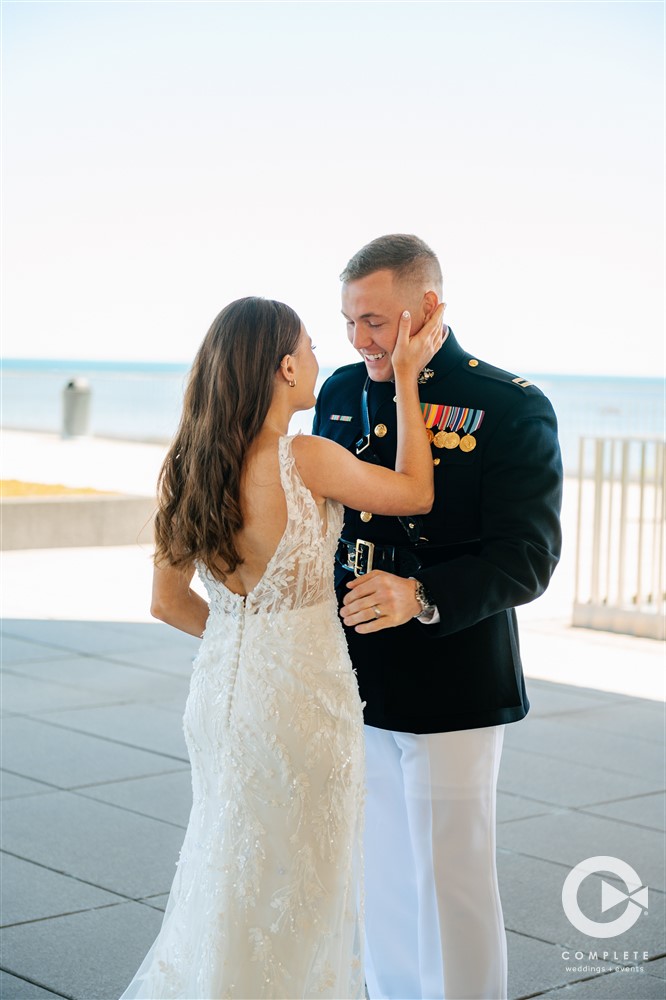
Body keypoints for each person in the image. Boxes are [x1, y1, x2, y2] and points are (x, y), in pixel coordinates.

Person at [119, 294, 444, 1000]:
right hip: (303, 702)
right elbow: (416, 492)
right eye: (313, 347)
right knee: (302, 892)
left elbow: (166, 601)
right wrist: (411, 380)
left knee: (226, 871)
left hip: (221, 701)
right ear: (287, 367)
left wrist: (245, 642)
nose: (325, 358)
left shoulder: (186, 466)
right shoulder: (304, 458)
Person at [313, 235, 563, 1000]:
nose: (361, 342)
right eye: (351, 322)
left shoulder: (509, 405)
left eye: (377, 322)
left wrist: (418, 594)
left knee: (451, 879)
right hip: (354, 679)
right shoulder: (339, 391)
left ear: (429, 309)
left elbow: (528, 558)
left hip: (453, 681)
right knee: (382, 879)